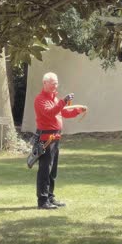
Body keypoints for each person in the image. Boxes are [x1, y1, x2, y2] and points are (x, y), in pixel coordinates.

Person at [34, 72, 87, 210]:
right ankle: (43, 201)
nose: (55, 85)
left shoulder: (55, 99)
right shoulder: (40, 99)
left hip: (55, 138)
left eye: (56, 83)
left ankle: (50, 197)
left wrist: (77, 111)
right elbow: (50, 112)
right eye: (52, 83)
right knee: (45, 170)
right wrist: (63, 101)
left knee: (52, 171)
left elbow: (63, 112)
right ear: (45, 83)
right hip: (46, 139)